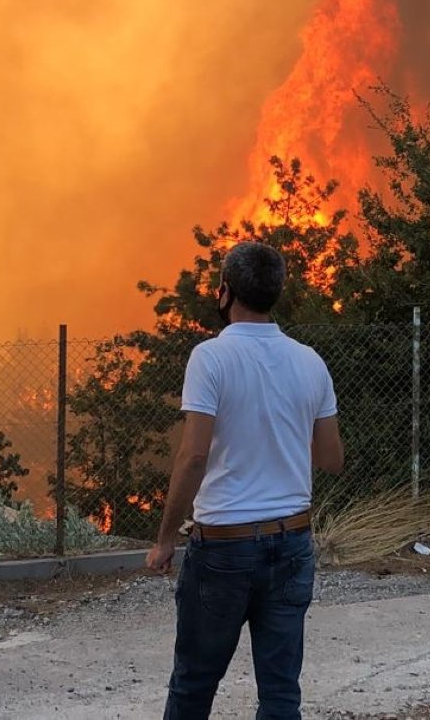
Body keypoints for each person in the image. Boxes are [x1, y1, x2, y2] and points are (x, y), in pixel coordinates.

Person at [145, 241, 345, 719]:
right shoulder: (310, 361)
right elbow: (332, 459)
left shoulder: (210, 358)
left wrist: (165, 540)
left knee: (194, 682)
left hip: (224, 547)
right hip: (292, 541)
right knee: (280, 691)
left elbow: (193, 456)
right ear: (277, 292)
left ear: (224, 291)